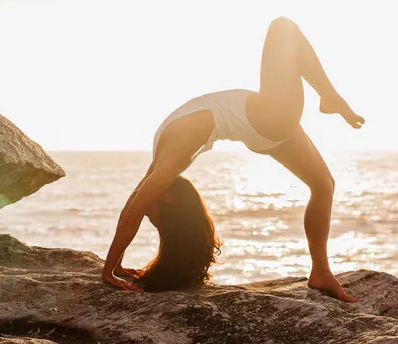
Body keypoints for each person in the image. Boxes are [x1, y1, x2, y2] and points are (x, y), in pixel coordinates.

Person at [102, 17, 365, 302]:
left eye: (151, 219)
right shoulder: (171, 161)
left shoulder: (164, 164)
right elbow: (135, 208)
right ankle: (330, 97)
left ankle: (321, 272)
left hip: (263, 128)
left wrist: (113, 265)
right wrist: (109, 270)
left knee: (323, 184)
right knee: (282, 28)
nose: (146, 213)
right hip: (269, 119)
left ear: (165, 198)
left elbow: (133, 205)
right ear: (166, 197)